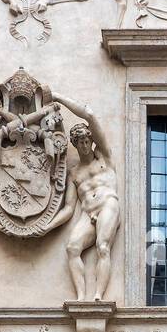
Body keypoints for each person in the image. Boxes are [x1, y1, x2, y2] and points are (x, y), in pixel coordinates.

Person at [49, 92, 119, 301]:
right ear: (75, 145)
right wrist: (49, 225)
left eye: (87, 141)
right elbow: (69, 208)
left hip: (108, 204)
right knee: (72, 248)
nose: (84, 145)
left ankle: (98, 295)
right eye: (79, 142)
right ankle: (81, 296)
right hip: (88, 212)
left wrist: (58, 98)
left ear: (91, 140)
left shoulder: (104, 158)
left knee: (103, 246)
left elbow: (89, 114)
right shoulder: (75, 173)